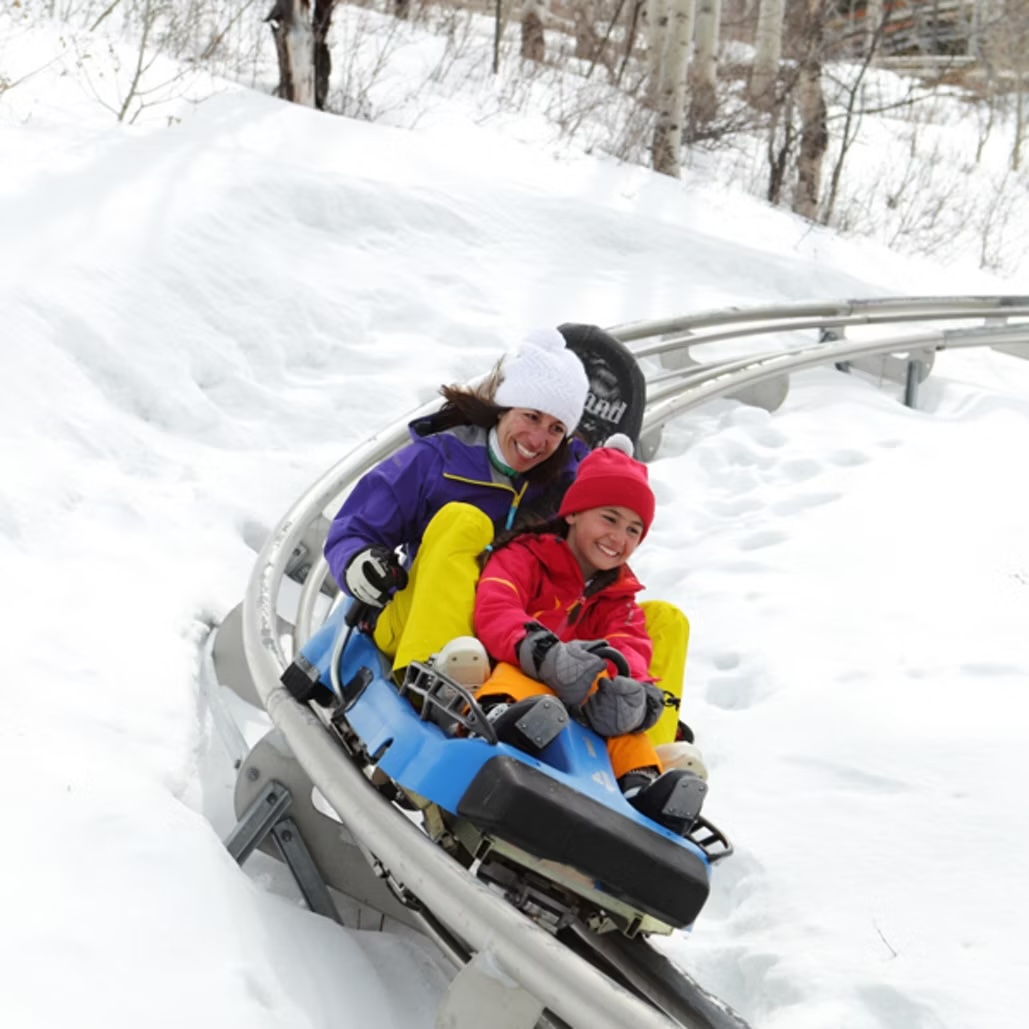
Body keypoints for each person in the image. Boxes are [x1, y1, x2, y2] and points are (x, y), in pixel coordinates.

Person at [324, 327, 591, 676]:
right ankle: (429, 679)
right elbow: (354, 528)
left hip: (506, 637)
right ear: (503, 409)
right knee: (465, 522)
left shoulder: (565, 483)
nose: (539, 439)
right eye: (531, 416)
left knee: (662, 619)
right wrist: (357, 561)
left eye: (557, 429)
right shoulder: (436, 460)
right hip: (414, 621)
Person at [472, 440, 707, 835]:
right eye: (609, 518)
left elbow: (632, 648)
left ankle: (642, 788)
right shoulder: (526, 556)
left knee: (625, 733)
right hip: (519, 674)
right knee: (521, 681)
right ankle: (503, 720)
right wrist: (544, 654)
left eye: (634, 529)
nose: (619, 537)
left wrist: (632, 696)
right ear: (575, 513)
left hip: (582, 703)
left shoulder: (620, 599)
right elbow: (497, 608)